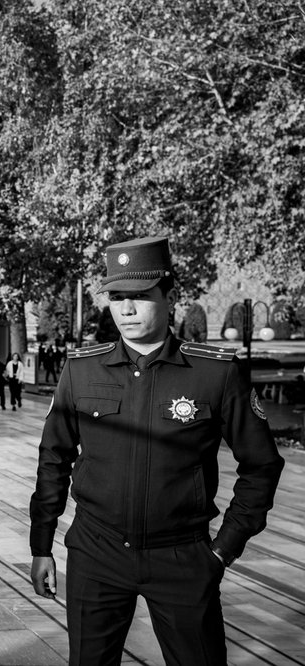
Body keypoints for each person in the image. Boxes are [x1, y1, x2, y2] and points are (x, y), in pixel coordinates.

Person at [29, 236, 285, 666]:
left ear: (170, 297)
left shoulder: (214, 373)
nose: (125, 310)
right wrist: (41, 546)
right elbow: (53, 459)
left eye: (140, 297)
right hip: (97, 555)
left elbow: (262, 465)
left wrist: (222, 550)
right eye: (116, 297)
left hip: (182, 558)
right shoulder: (81, 370)